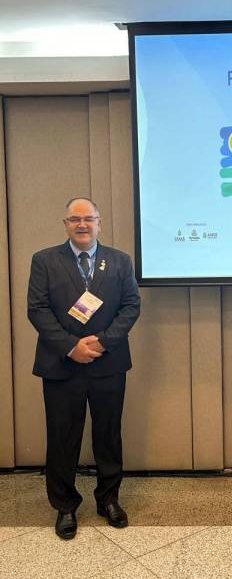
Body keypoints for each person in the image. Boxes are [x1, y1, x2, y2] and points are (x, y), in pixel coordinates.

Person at [28, 198, 141, 540]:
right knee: (62, 437)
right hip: (61, 364)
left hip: (108, 363)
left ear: (99, 223)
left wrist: (103, 342)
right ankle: (65, 506)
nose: (82, 224)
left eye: (88, 218)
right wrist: (71, 347)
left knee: (108, 435)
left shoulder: (119, 261)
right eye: (74, 219)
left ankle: (108, 500)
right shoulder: (45, 260)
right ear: (65, 224)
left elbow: (131, 305)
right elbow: (37, 309)